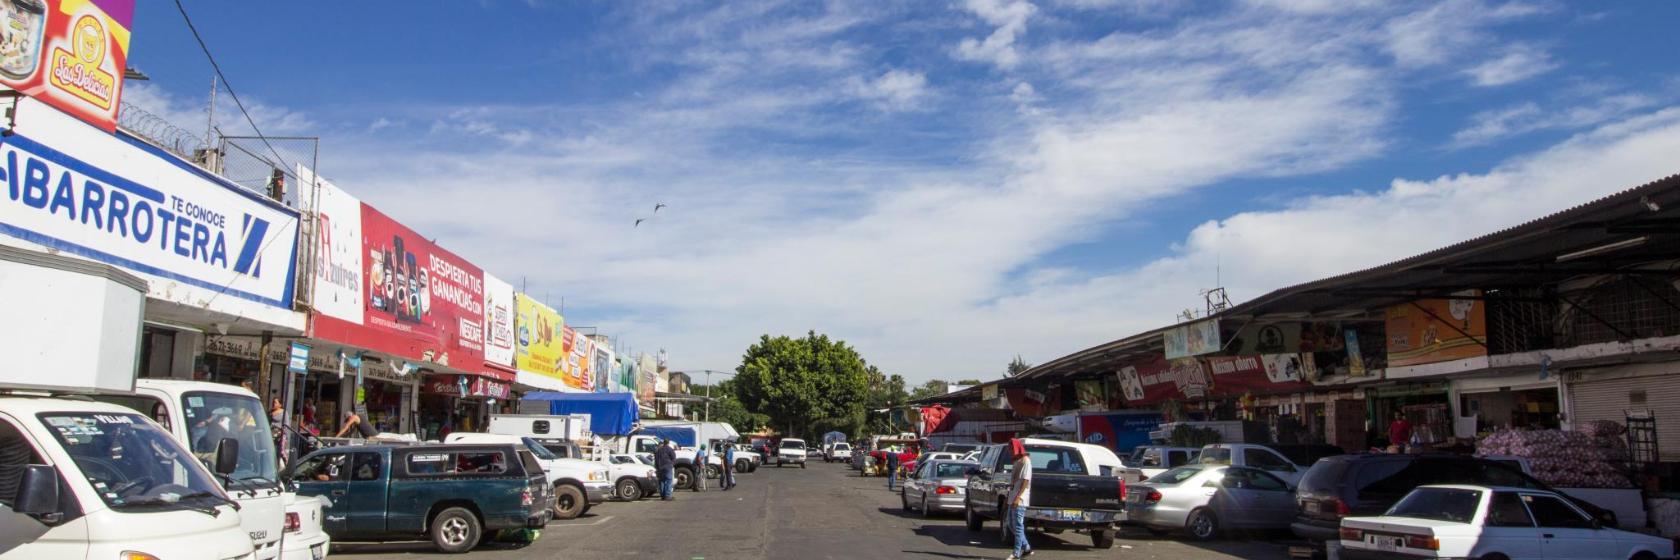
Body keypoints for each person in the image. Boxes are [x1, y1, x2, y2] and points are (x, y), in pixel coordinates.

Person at [1006, 439, 1033, 560]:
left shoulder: (1026, 462)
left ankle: (1016, 552)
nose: (1010, 451)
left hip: (1020, 499)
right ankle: (1026, 547)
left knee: (1018, 525)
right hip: (1012, 497)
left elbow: (1026, 481)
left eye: (1011, 449)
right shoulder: (1017, 461)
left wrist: (1018, 497)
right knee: (1010, 524)